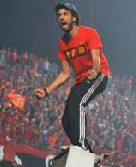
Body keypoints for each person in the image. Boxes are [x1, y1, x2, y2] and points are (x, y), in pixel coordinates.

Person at [34, 2, 110, 152]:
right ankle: (86, 150)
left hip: (99, 75)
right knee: (66, 120)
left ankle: (81, 147)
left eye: (65, 14)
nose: (61, 18)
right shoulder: (63, 43)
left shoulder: (90, 33)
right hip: (81, 80)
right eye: (59, 15)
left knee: (77, 103)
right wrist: (47, 90)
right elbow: (65, 73)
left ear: (74, 18)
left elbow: (97, 61)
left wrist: (94, 72)